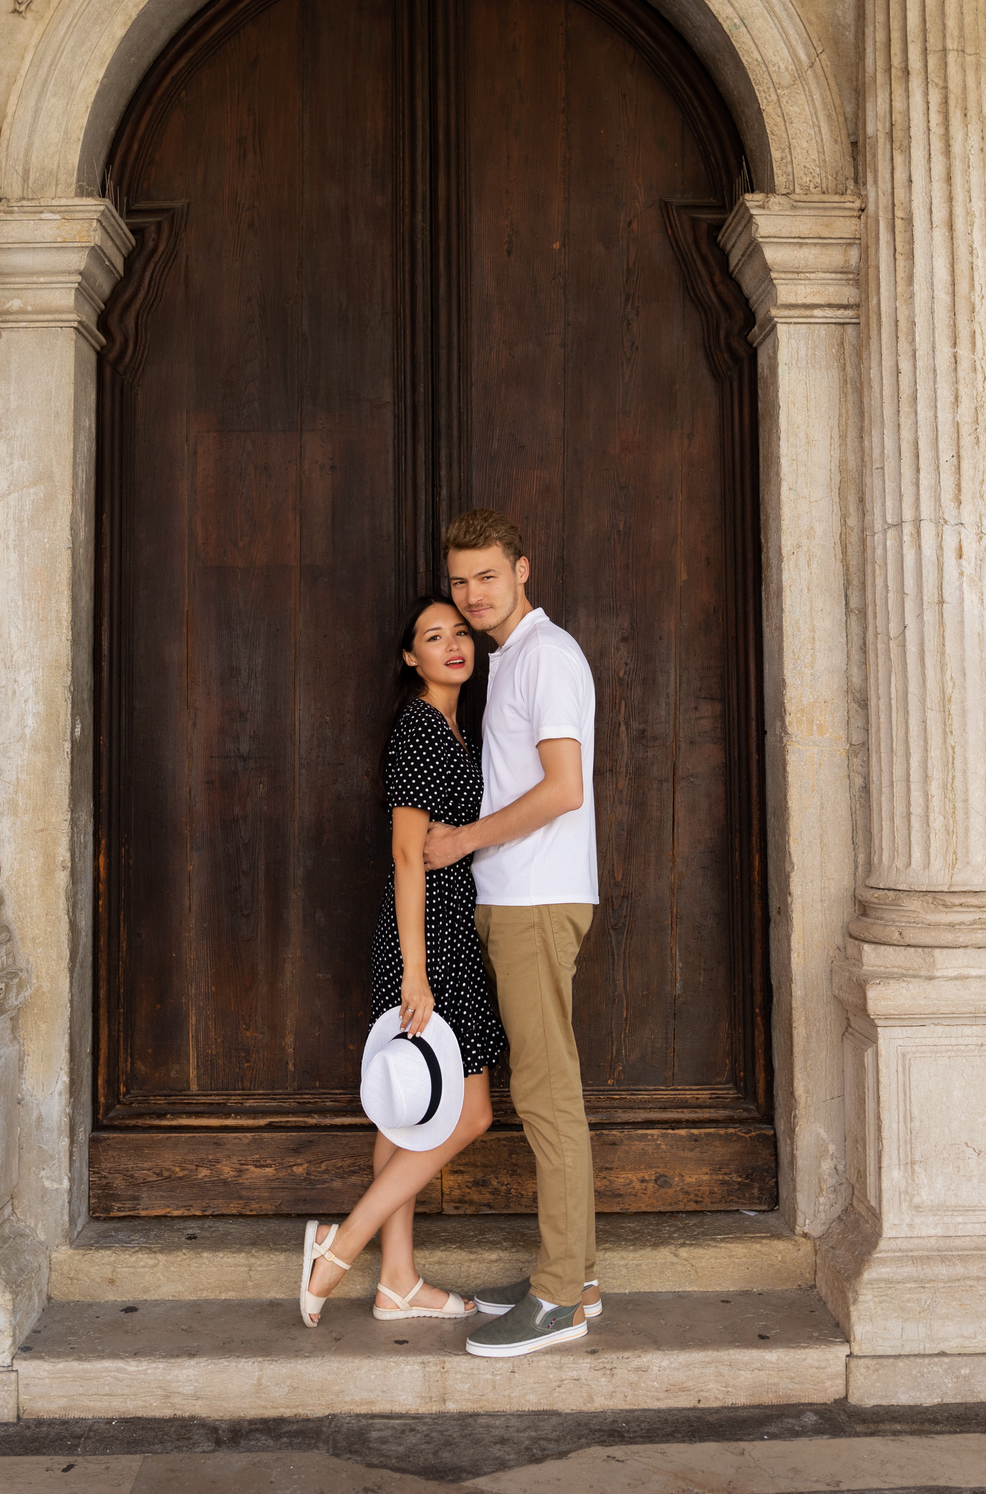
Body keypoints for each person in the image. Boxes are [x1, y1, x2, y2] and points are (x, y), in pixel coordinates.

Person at [425, 509, 602, 1359]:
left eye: (487, 575)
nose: (473, 593)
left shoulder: (549, 656)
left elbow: (564, 788)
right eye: (460, 580)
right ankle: (575, 1277)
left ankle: (560, 1296)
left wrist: (461, 839)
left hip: (535, 902)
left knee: (545, 1096)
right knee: (542, 1090)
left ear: (522, 568)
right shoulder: (514, 659)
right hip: (516, 899)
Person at [299, 595, 503, 1327]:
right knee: (468, 1112)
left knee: (406, 1118)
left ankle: (398, 1281)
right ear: (409, 658)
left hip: (442, 927)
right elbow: (405, 852)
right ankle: (339, 1244)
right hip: (431, 938)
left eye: (458, 631)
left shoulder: (454, 725)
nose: (452, 643)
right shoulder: (421, 727)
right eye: (431, 636)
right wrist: (417, 972)